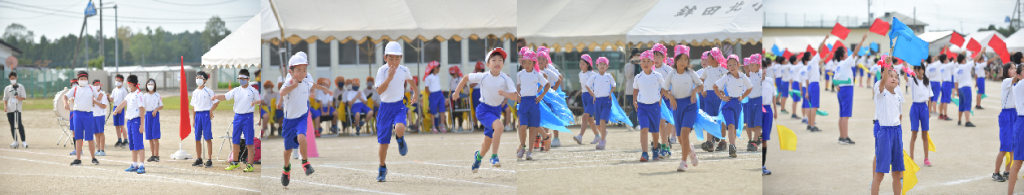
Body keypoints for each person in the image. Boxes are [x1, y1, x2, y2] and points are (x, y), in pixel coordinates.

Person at [453, 47, 517, 172]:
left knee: (487, 143)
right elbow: (465, 78)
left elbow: (514, 96)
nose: (497, 62)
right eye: (494, 60)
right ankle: (494, 157)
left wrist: (505, 94)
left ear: (503, 64)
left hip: (496, 111)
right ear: (488, 64)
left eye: (500, 60)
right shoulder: (483, 76)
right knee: (499, 126)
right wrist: (456, 92)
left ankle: (478, 158)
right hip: (483, 110)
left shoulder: (506, 78)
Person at [279, 51, 332, 186]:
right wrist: (293, 86)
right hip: (289, 120)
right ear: (291, 71)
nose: (302, 73)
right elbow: (282, 92)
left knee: (302, 137)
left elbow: (313, 85)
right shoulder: (289, 82)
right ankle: (286, 169)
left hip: (302, 116)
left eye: (304, 70)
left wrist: (325, 90)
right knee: (288, 150)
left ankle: (305, 162)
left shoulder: (306, 80)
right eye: (299, 70)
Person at [373, 42, 418, 182]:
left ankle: (400, 139)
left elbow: (411, 81)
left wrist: (416, 92)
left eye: (397, 58)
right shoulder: (382, 71)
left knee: (400, 127)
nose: (394, 61)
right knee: (383, 144)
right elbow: (379, 91)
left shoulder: (404, 70)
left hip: (398, 105)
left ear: (401, 57)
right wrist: (389, 78)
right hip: (385, 108)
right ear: (385, 57)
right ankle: (382, 168)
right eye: (391, 58)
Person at [214, 69, 261, 173]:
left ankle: (250, 165)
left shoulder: (253, 91)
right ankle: (235, 162)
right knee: (235, 140)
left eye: (243, 78)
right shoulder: (236, 90)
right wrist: (216, 96)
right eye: (239, 78)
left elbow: (260, 103)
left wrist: (260, 118)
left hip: (248, 117)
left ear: (248, 79)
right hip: (237, 117)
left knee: (249, 142)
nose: (241, 80)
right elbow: (225, 96)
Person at [870, 56, 904, 195]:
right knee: (879, 175)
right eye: (891, 76)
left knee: (897, 173)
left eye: (896, 76)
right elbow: (883, 81)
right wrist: (886, 65)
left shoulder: (898, 94)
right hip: (885, 132)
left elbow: (899, 115)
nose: (894, 78)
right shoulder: (880, 92)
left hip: (897, 132)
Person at [664, 45, 702, 171]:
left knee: (685, 134)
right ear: (675, 60)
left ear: (688, 62)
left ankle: (683, 162)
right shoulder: (671, 74)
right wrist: (671, 97)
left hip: (690, 105)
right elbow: (664, 90)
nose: (682, 62)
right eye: (680, 59)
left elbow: (700, 86)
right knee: (680, 138)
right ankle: (690, 151)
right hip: (676, 106)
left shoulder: (691, 73)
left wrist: (694, 92)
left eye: (685, 59)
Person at [713, 55, 754, 158]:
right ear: (727, 66)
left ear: (738, 65)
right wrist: (722, 97)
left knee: (734, 127)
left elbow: (750, 87)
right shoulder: (727, 77)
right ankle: (732, 146)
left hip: (738, 104)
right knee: (730, 125)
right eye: (729, 65)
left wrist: (743, 96)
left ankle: (732, 145)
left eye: (734, 64)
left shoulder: (742, 76)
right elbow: (715, 86)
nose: (732, 67)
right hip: (728, 104)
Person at [633, 50, 670, 162]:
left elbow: (664, 87)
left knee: (655, 131)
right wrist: (635, 101)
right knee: (644, 129)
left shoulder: (657, 75)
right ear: (640, 63)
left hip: (655, 107)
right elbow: (635, 89)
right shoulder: (638, 77)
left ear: (653, 63)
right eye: (643, 61)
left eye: (648, 61)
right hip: (642, 107)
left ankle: (655, 150)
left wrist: (660, 98)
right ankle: (644, 153)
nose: (646, 63)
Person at [833, 34, 867, 145]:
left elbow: (835, 80)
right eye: (845, 51)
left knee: (842, 114)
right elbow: (856, 51)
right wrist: (862, 40)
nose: (847, 53)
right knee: (846, 115)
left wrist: (837, 86)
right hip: (847, 89)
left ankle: (841, 136)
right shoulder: (845, 62)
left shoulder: (838, 65)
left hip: (841, 90)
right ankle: (845, 137)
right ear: (843, 55)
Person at [515, 50, 548, 160]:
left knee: (533, 128)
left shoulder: (537, 75)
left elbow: (547, 85)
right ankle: (523, 146)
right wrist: (517, 94)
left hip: (534, 102)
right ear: (523, 63)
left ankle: (530, 151)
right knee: (523, 126)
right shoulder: (519, 74)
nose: (527, 65)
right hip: (523, 102)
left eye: (530, 62)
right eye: (525, 62)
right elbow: (517, 86)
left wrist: (541, 95)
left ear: (534, 63)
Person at [63, 71, 100, 166]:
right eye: (81, 79)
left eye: (85, 79)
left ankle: (93, 158)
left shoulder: (91, 88)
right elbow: (65, 96)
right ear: (78, 80)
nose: (83, 81)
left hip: (88, 115)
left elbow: (98, 97)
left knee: (90, 138)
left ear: (87, 79)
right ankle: (78, 159)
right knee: (78, 137)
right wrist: (65, 103)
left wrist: (100, 97)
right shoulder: (75, 89)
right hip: (77, 114)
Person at [112, 75, 146, 174]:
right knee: (132, 144)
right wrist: (117, 109)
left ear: (132, 84)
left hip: (136, 121)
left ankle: (142, 165)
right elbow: (123, 102)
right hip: (129, 121)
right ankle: (134, 164)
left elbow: (142, 110)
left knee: (139, 144)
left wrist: (141, 125)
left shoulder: (139, 94)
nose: (128, 86)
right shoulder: (130, 94)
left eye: (129, 84)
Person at [699, 47, 730, 152]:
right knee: (709, 119)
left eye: (709, 58)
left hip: (719, 96)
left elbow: (729, 80)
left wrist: (725, 92)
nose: (707, 60)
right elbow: (701, 81)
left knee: (721, 119)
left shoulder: (722, 69)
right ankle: (709, 142)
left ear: (715, 59)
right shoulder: (707, 70)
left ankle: (722, 141)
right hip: (708, 96)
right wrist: (702, 90)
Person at [586, 56, 616, 151]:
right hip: (597, 101)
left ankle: (602, 141)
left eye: (604, 64)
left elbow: (614, 86)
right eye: (600, 64)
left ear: (607, 67)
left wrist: (610, 93)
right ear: (597, 66)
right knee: (598, 123)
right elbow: (587, 86)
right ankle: (604, 133)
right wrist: (593, 95)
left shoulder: (609, 76)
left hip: (607, 100)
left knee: (602, 121)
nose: (602, 66)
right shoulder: (594, 77)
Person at [190, 71, 219, 168]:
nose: (198, 79)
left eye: (200, 78)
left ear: (205, 80)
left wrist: (211, 111)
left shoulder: (208, 91)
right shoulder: (194, 92)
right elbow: (194, 106)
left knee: (208, 138)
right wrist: (193, 119)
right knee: (197, 138)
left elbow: (216, 102)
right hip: (197, 115)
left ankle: (209, 159)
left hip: (206, 114)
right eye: (197, 77)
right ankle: (199, 159)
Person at [994, 63, 1016, 182]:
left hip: (1014, 113)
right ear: (1006, 71)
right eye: (1011, 68)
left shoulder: (1016, 83)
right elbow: (1017, 77)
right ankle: (996, 172)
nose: (1014, 70)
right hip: (1006, 114)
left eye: (1015, 68)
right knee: (1004, 147)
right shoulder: (1007, 81)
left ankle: (1008, 171)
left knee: (1012, 146)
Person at [907, 65, 934, 167]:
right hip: (915, 108)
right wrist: (906, 67)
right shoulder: (912, 81)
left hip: (924, 108)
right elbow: (906, 78)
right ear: (915, 70)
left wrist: (929, 111)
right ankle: (911, 158)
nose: (920, 71)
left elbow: (930, 98)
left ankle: (926, 159)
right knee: (914, 134)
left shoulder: (927, 82)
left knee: (924, 135)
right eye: (919, 69)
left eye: (922, 69)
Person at [574, 54, 599, 145]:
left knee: (584, 116)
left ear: (588, 64)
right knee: (590, 119)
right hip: (584, 96)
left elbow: (597, 85)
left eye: (583, 63)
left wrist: (595, 96)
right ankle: (597, 136)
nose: (581, 65)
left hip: (591, 97)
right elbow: (582, 86)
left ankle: (580, 136)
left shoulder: (592, 74)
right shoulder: (580, 74)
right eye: (580, 63)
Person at [745, 54, 766, 152]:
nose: (750, 67)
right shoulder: (749, 75)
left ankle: (754, 141)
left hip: (759, 101)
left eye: (753, 65)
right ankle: (760, 136)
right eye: (750, 65)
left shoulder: (761, 74)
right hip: (750, 101)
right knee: (750, 124)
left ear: (758, 65)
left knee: (757, 124)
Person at [141, 79, 164, 162]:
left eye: (152, 84)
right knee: (150, 137)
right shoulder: (144, 96)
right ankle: (152, 155)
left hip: (155, 115)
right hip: (148, 115)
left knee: (155, 137)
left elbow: (161, 105)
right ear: (146, 85)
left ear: (154, 86)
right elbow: (142, 107)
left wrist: (156, 109)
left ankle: (157, 155)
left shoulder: (157, 95)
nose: (150, 85)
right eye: (149, 84)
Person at [424, 61, 448, 133]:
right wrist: (430, 95)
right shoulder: (428, 77)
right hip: (433, 95)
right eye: (438, 68)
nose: (439, 69)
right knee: (433, 112)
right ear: (434, 68)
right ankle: (434, 126)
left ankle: (442, 125)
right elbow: (426, 88)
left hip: (440, 93)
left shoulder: (437, 76)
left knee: (442, 110)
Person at [4, 72, 26, 149]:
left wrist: (18, 98)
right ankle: (15, 141)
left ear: (16, 78)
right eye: (11, 79)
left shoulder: (20, 86)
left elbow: (23, 97)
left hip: (17, 109)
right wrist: (5, 106)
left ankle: (24, 141)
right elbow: (5, 99)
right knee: (12, 125)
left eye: (13, 78)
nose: (12, 80)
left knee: (19, 124)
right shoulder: (7, 88)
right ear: (9, 79)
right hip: (10, 109)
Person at [954, 54, 975, 127]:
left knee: (961, 104)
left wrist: (957, 91)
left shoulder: (956, 70)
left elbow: (956, 82)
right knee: (967, 104)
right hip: (966, 87)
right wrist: (981, 53)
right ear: (963, 60)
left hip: (960, 88)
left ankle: (959, 120)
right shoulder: (966, 66)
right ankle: (967, 121)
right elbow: (975, 60)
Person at [90, 80, 109, 156]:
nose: (97, 86)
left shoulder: (102, 94)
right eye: (95, 84)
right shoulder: (92, 94)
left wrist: (95, 102)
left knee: (101, 132)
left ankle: (102, 150)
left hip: (100, 115)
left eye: (98, 84)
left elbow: (104, 106)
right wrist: (94, 101)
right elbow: (92, 105)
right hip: (93, 115)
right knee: (96, 133)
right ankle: (98, 149)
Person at [110, 75, 129, 148]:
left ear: (122, 82)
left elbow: (125, 100)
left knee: (121, 125)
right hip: (115, 108)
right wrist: (108, 97)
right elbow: (111, 99)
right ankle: (119, 139)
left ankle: (126, 140)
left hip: (121, 108)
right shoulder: (114, 90)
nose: (117, 82)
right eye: (116, 80)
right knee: (116, 125)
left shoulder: (123, 90)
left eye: (119, 81)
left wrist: (121, 108)